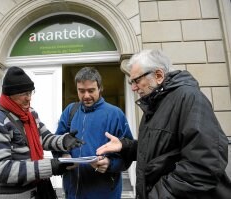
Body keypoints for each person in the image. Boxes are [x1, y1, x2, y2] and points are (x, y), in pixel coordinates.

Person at [96, 49, 231, 199]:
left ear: (159, 75)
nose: (133, 88)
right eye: (131, 82)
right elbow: (160, 150)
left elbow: (206, 163)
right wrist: (125, 146)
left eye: (136, 80)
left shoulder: (188, 98)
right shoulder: (155, 104)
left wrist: (158, 195)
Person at [0, 66, 84, 199]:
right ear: (9, 95)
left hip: (38, 190)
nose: (28, 98)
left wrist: (63, 141)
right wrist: (51, 166)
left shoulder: (30, 113)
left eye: (30, 92)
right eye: (23, 94)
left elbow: (44, 138)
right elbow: (0, 171)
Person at [53, 67, 133, 199]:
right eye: (81, 91)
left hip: (104, 193)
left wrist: (110, 164)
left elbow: (128, 153)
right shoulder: (70, 111)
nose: (86, 96)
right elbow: (56, 142)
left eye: (91, 90)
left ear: (100, 88)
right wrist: (63, 154)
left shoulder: (115, 114)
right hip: (72, 192)